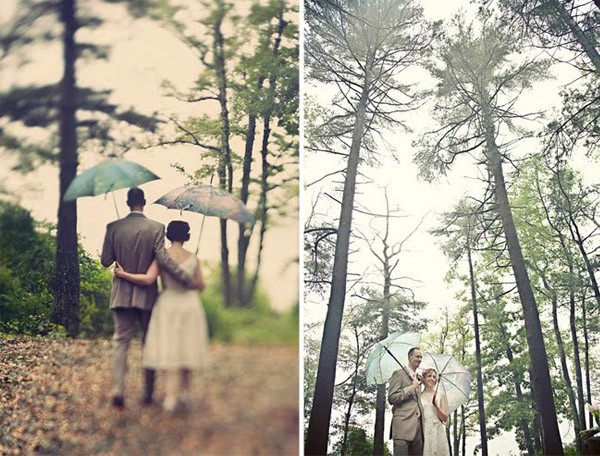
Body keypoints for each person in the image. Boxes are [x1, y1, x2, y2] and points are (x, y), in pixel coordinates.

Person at [101, 187, 199, 409]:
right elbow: (163, 259)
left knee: (121, 341)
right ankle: (147, 393)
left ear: (127, 203)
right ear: (144, 202)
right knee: (148, 342)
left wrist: (118, 256)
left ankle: (118, 389)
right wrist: (185, 276)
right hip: (147, 295)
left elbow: (106, 261)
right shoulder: (156, 228)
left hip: (121, 293)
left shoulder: (113, 227)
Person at [114, 220, 210, 412]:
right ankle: (184, 393)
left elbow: (148, 279)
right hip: (189, 305)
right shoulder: (193, 258)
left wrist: (124, 275)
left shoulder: (162, 256)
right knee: (187, 347)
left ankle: (169, 398)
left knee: (169, 348)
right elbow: (200, 286)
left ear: (168, 235)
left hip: (168, 304)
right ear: (187, 236)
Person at [388, 347, 424, 456]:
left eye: (421, 357)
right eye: (417, 356)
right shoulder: (398, 373)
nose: (419, 359)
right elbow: (392, 398)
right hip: (402, 426)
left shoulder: (417, 378)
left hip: (418, 428)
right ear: (409, 357)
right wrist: (411, 387)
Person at [420, 368, 450, 456]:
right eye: (429, 376)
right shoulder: (419, 396)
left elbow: (445, 418)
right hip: (424, 430)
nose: (432, 379)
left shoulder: (440, 395)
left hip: (438, 429)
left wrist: (436, 406)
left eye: (434, 377)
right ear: (424, 379)